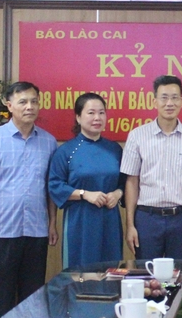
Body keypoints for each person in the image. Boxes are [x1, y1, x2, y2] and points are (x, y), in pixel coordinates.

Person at [0, 81, 58, 318]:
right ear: (9, 104)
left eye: (34, 101)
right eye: (23, 101)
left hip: (36, 229)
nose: (29, 107)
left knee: (32, 297)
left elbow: (50, 188)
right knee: (2, 296)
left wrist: (52, 222)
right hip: (3, 229)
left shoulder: (49, 141)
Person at [120, 75, 182, 259]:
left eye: (175, 97)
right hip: (146, 218)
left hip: (181, 219)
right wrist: (130, 225)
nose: (169, 103)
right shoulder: (137, 136)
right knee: (147, 277)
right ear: (154, 101)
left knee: (180, 277)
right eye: (164, 97)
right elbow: (132, 182)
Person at [49, 93, 125, 268]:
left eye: (101, 113)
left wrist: (117, 193)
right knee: (80, 273)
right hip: (80, 221)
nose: (97, 118)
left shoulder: (114, 149)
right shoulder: (66, 151)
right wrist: (84, 194)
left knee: (111, 271)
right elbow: (55, 185)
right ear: (78, 117)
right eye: (91, 113)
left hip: (110, 220)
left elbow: (125, 182)